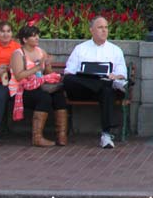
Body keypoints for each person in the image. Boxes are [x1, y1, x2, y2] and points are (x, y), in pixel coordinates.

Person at [63, 16, 129, 149]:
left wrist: (114, 76)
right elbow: (69, 71)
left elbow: (122, 75)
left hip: (104, 91)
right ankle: (101, 83)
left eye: (106, 27)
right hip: (83, 90)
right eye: (100, 27)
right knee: (68, 79)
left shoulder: (115, 50)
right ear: (91, 30)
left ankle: (106, 135)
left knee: (107, 90)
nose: (104, 31)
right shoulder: (80, 49)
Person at [8, 25, 68, 147]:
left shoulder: (41, 52)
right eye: (33, 36)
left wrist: (47, 65)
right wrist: (36, 68)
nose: (37, 38)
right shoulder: (18, 54)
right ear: (25, 40)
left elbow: (48, 74)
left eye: (37, 35)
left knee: (58, 96)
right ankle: (37, 137)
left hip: (39, 85)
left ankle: (61, 135)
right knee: (44, 98)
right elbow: (19, 76)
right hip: (22, 89)